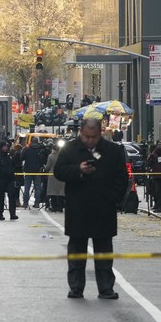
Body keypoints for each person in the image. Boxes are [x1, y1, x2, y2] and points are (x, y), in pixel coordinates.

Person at [53, 116, 129, 300]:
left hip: (104, 209)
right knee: (76, 253)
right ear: (80, 132)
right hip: (78, 208)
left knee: (104, 253)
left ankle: (106, 288)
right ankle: (76, 288)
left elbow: (122, 178)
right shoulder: (70, 149)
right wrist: (78, 170)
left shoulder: (112, 151)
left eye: (93, 137)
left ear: (100, 134)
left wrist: (113, 199)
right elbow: (59, 172)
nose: (89, 140)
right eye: (86, 136)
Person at [0, 140, 19, 220]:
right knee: (0, 197)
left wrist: (12, 172)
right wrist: (1, 171)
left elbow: (14, 165)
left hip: (9, 179)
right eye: (5, 146)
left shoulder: (9, 156)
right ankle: (0, 214)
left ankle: (12, 213)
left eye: (7, 146)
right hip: (1, 179)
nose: (6, 148)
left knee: (12, 196)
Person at [20, 140, 47, 208]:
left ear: (31, 142)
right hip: (37, 171)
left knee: (27, 187)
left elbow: (22, 157)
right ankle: (37, 202)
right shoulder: (40, 150)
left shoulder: (26, 149)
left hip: (28, 170)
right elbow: (42, 160)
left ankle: (25, 203)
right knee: (37, 188)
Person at [43, 140, 66, 212]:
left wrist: (44, 168)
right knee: (61, 191)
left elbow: (47, 167)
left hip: (52, 175)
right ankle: (60, 207)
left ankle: (54, 206)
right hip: (61, 174)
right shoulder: (63, 156)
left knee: (53, 191)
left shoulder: (50, 156)